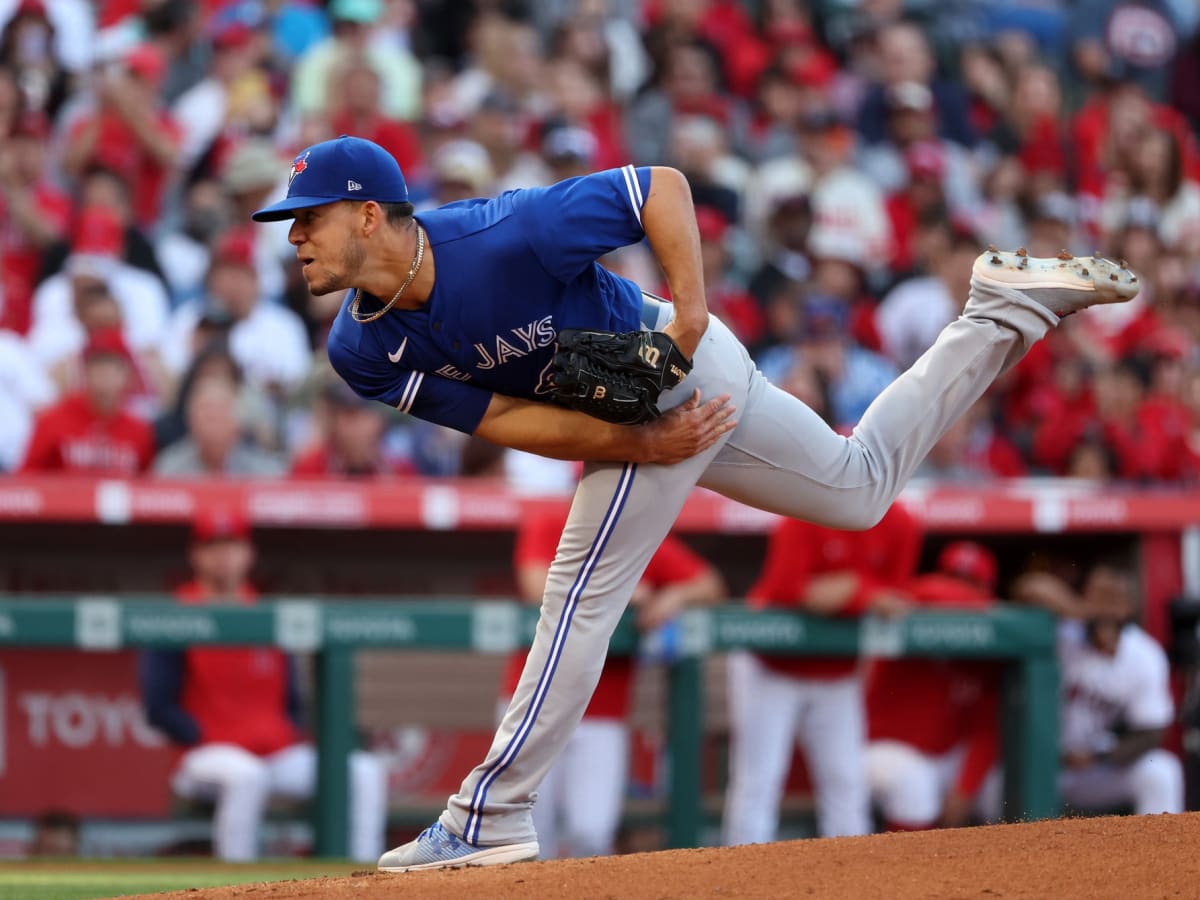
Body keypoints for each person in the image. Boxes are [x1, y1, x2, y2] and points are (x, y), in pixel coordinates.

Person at [247, 134, 1140, 871]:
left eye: (307, 220)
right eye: (290, 227)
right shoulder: (361, 349)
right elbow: (507, 418)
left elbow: (659, 189)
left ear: (371, 213)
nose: (294, 239)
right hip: (640, 412)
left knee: (577, 594)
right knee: (860, 487)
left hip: (673, 365)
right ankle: (1000, 311)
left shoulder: (504, 233)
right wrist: (635, 445)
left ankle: (488, 818)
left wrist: (689, 322)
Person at [138, 509, 388, 862]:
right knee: (246, 776)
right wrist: (200, 733)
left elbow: (292, 700)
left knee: (363, 771)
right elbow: (158, 706)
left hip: (273, 754)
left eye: (232, 546)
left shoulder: (266, 613)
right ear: (196, 555)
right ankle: (234, 884)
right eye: (213, 546)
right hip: (204, 756)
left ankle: (365, 874)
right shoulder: (179, 613)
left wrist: (280, 731)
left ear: (248, 554)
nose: (224, 556)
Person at [500, 506, 724, 859]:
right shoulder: (552, 521)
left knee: (592, 833)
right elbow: (536, 586)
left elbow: (710, 584)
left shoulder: (638, 533)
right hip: (534, 703)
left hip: (604, 709)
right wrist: (614, 592)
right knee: (525, 835)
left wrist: (673, 596)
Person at [722, 502, 921, 844]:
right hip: (770, 666)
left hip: (836, 672)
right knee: (760, 780)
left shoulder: (902, 523)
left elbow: (896, 598)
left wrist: (853, 589)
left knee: (846, 781)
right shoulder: (804, 511)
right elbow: (787, 591)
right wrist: (862, 594)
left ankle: (849, 883)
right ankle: (739, 886)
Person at [1013, 563, 1184, 817]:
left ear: (1128, 607)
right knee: (993, 786)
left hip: (1095, 767)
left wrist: (1100, 756)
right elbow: (1028, 587)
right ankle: (1002, 856)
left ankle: (1159, 855)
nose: (1104, 605)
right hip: (1042, 764)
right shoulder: (1062, 633)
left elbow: (1152, 732)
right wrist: (1081, 611)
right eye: (1097, 594)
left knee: (1162, 771)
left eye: (1112, 598)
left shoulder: (1144, 654)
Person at [865, 542, 1003, 831]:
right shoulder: (908, 606)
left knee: (1000, 787)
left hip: (946, 757)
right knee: (912, 784)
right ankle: (910, 873)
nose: (955, 590)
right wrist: (978, 601)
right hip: (883, 748)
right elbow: (923, 590)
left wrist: (965, 789)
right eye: (952, 578)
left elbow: (986, 730)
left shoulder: (986, 654)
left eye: (969, 583)